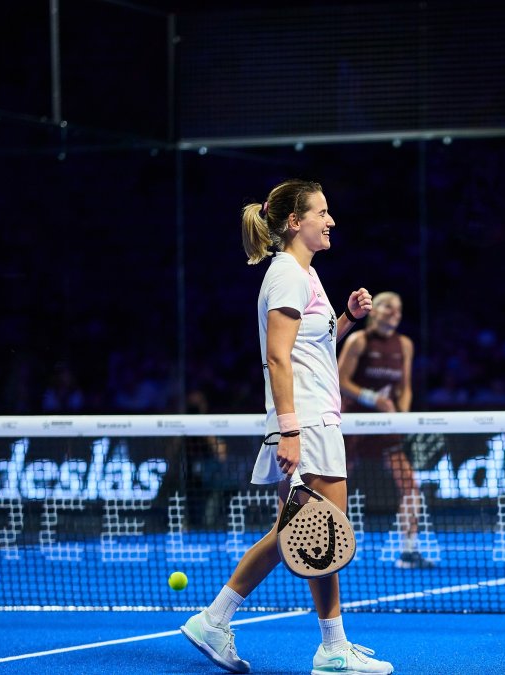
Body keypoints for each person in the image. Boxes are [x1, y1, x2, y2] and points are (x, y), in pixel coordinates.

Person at [181, 179, 393, 675]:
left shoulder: (305, 275)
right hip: (308, 422)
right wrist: (291, 430)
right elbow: (277, 357)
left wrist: (347, 318)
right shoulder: (287, 276)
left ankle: (216, 620)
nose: (331, 220)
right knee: (321, 533)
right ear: (295, 222)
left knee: (298, 533)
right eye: (322, 212)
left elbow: (310, 346)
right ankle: (331, 648)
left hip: (315, 418)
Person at [338, 291, 432, 569]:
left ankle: (408, 551)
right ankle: (323, 543)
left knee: (410, 485)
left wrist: (402, 416)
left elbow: (405, 386)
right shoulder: (358, 341)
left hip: (386, 426)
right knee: (334, 486)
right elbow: (340, 379)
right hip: (353, 424)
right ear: (375, 311)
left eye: (399, 309)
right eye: (389, 307)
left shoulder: (404, 344)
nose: (395, 313)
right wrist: (372, 398)